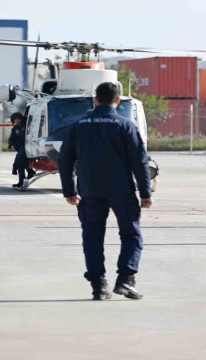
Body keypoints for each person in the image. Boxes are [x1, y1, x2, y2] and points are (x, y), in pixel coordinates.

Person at [58, 82, 152, 301]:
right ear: (118, 101)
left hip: (89, 190)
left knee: (92, 237)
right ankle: (126, 279)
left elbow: (65, 160)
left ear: (95, 100)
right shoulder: (126, 125)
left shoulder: (79, 125)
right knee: (131, 234)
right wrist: (145, 193)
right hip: (122, 189)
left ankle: (98, 286)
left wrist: (69, 191)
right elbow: (140, 161)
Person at [8, 113, 34, 189]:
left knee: (19, 161)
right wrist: (10, 144)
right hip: (20, 148)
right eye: (15, 119)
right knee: (19, 164)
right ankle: (22, 180)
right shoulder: (15, 128)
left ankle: (29, 172)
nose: (16, 121)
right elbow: (12, 137)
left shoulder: (26, 126)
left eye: (18, 119)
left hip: (26, 146)